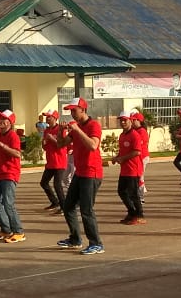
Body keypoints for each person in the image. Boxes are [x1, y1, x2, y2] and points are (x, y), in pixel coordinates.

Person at [56, 97, 105, 253]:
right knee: (68, 205)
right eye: (70, 110)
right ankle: (75, 238)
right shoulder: (76, 127)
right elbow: (60, 144)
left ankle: (96, 243)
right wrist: (60, 131)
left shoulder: (93, 125)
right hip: (80, 172)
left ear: (83, 110)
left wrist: (77, 130)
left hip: (92, 172)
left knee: (86, 209)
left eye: (74, 110)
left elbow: (93, 145)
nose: (72, 113)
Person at [0, 109, 24, 242]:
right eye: (0, 118)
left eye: (3, 119)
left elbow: (17, 154)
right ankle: (6, 229)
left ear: (10, 122)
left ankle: (18, 231)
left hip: (10, 173)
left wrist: (0, 144)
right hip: (1, 172)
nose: (0, 121)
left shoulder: (13, 136)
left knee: (8, 204)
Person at [110, 111, 146, 224]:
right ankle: (132, 212)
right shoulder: (122, 135)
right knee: (121, 191)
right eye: (121, 120)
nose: (123, 122)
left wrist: (123, 158)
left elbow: (137, 152)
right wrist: (117, 157)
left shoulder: (135, 135)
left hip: (133, 169)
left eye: (125, 120)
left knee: (133, 194)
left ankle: (140, 215)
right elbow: (122, 151)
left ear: (131, 120)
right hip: (125, 169)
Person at [39, 110, 66, 212]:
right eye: (46, 117)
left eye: (49, 117)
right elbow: (45, 147)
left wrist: (52, 139)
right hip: (50, 162)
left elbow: (62, 145)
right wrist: (44, 142)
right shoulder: (46, 130)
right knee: (43, 183)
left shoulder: (61, 129)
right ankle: (55, 202)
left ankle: (64, 207)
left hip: (59, 162)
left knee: (57, 185)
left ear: (55, 118)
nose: (47, 119)